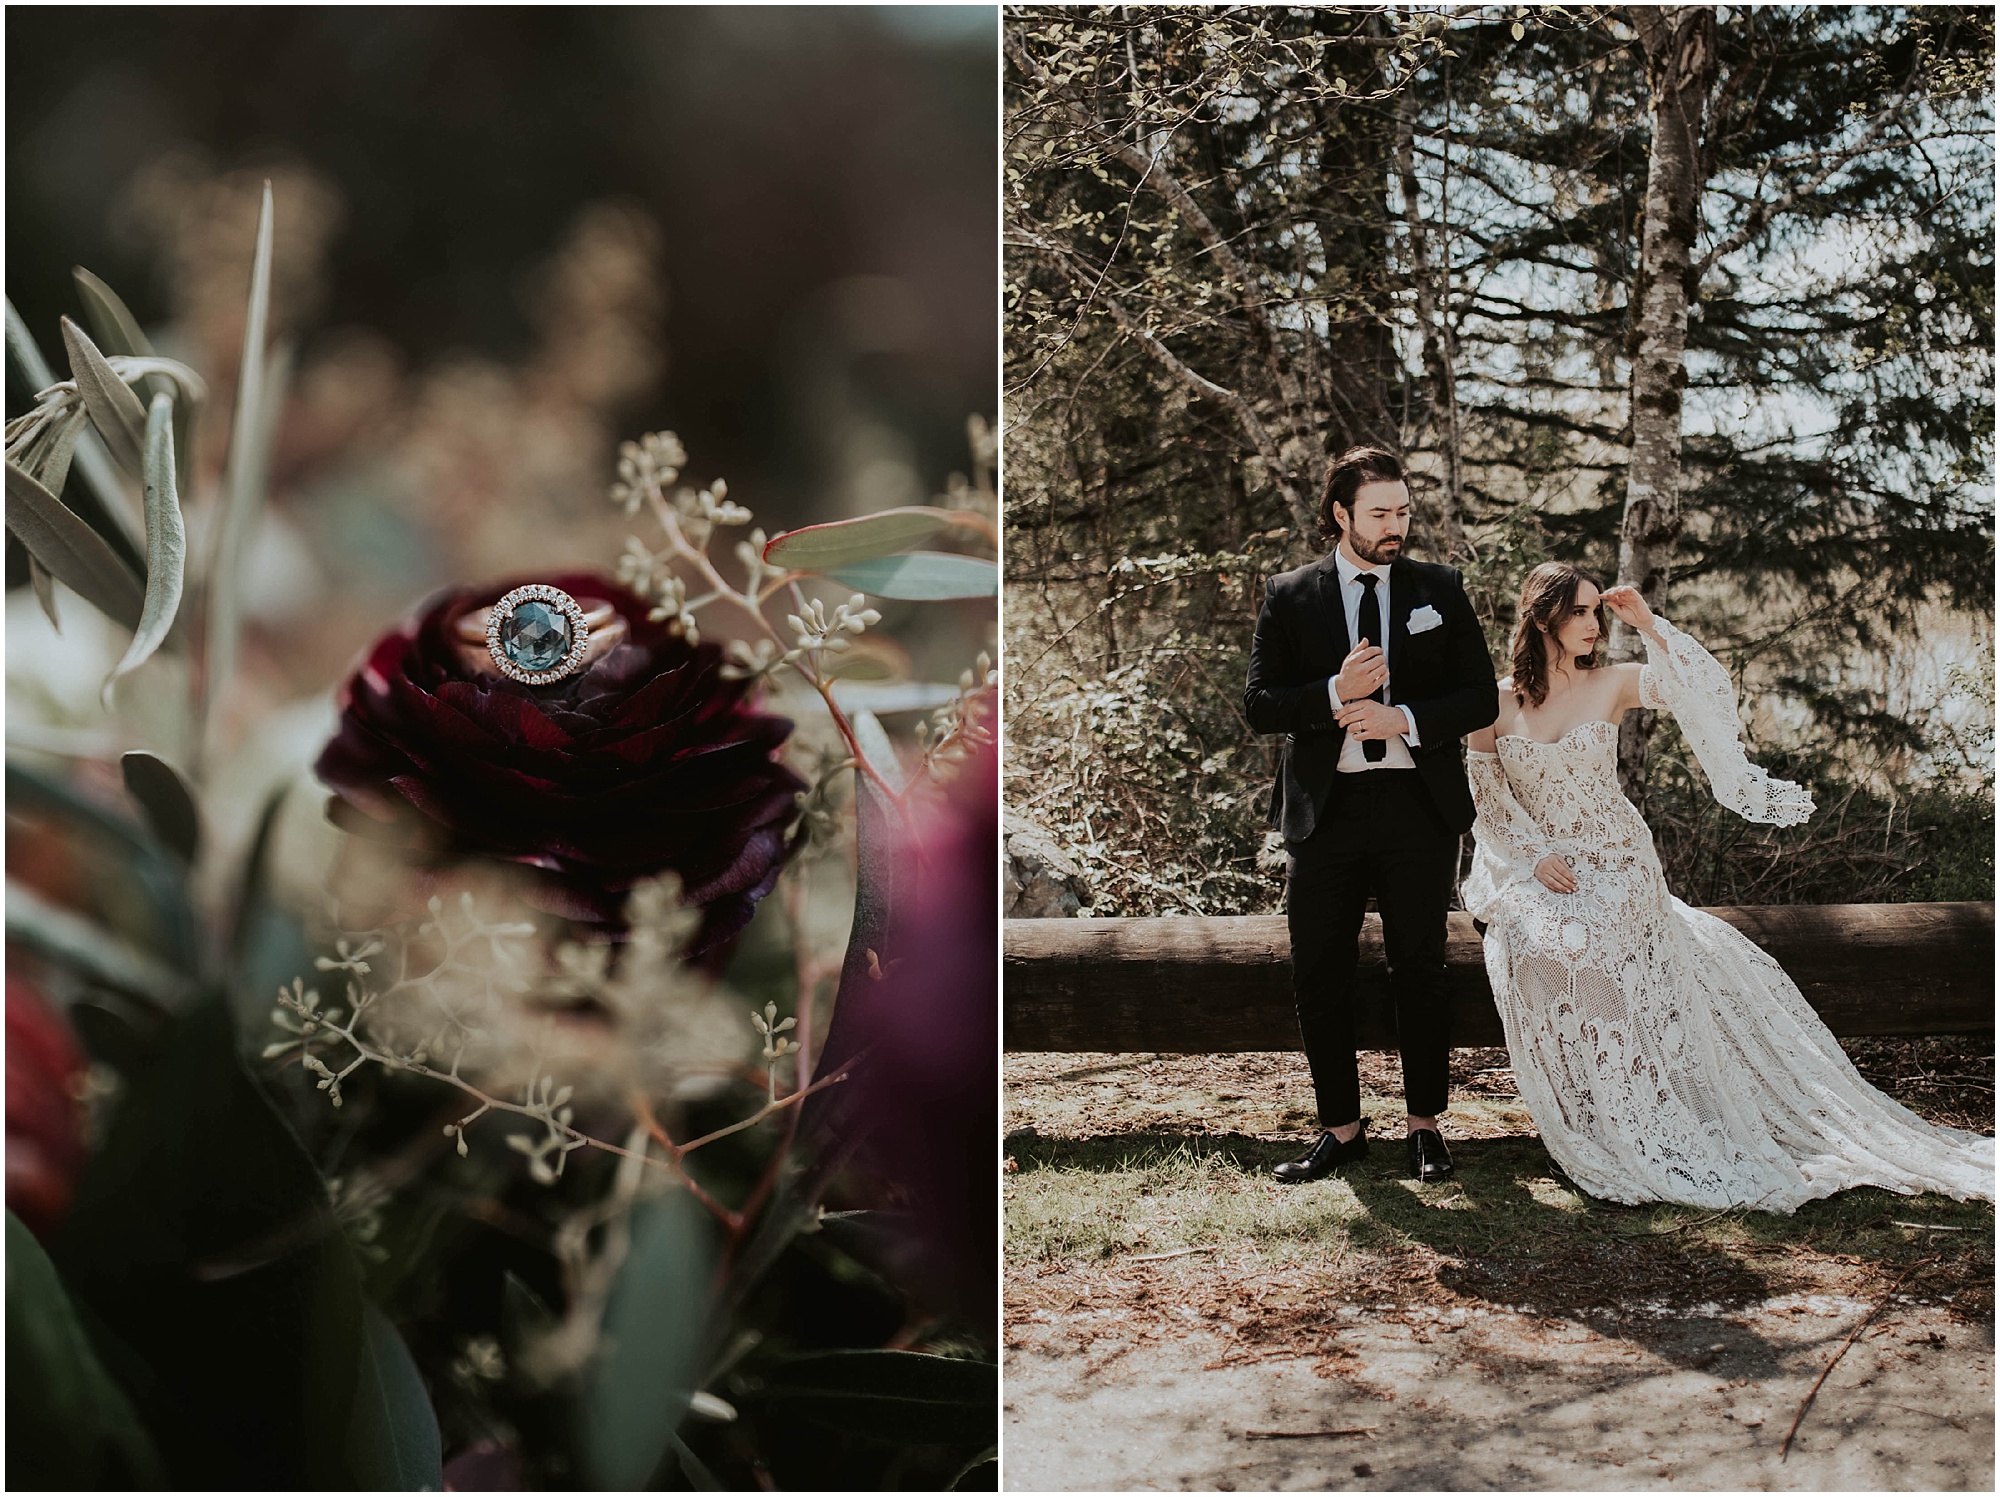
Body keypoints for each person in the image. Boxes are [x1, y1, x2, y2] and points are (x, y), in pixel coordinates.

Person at [1465, 563, 1994, 1210]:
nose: (1591, 624)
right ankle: (1600, 1111)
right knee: (1542, 941)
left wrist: (1650, 624)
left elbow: (1704, 688)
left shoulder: (1613, 682)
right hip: (1541, 860)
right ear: (1542, 617)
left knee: (1593, 941)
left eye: (1593, 611)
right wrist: (1535, 853)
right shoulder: (1495, 700)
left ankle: (1643, 1112)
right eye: (1579, 612)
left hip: (1619, 859)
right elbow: (1488, 794)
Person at [1244, 447, 1498, 1184]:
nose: (1396, 526)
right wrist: (1333, 690)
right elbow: (1260, 704)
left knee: (1419, 965)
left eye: (1404, 511)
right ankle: (1342, 1130)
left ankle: (1425, 1128)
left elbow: (1479, 696)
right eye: (1381, 513)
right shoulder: (1291, 595)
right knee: (1317, 969)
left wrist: (1404, 719)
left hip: (1419, 810)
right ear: (1341, 514)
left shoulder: (1438, 589)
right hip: (1325, 814)